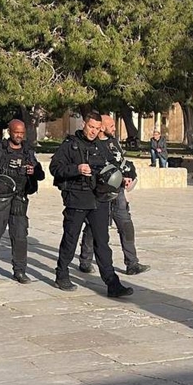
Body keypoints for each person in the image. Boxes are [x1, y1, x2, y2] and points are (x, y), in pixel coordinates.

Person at [49, 111, 133, 297]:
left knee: (102, 242)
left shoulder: (101, 147)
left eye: (97, 128)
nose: (93, 131)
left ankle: (112, 284)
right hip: (77, 198)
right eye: (91, 127)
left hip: (99, 200)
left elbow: (114, 165)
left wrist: (122, 178)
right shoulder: (70, 146)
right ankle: (61, 274)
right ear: (83, 125)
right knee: (70, 239)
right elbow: (54, 168)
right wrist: (76, 169)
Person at [79, 115, 150, 276]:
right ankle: (85, 260)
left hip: (118, 193)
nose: (114, 128)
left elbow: (121, 163)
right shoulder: (93, 145)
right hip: (101, 193)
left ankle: (132, 263)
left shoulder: (114, 143)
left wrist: (128, 175)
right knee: (93, 226)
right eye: (111, 125)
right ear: (102, 127)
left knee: (126, 226)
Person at [0, 119, 45, 284]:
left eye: (22, 133)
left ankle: (20, 271)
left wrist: (33, 171)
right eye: (16, 132)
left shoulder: (28, 152)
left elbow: (41, 175)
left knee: (20, 236)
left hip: (19, 199)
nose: (19, 136)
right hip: (0, 199)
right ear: (9, 131)